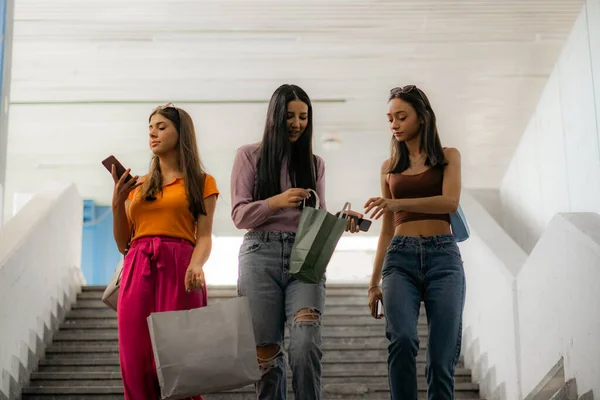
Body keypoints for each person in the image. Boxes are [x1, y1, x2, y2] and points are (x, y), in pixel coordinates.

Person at [230, 84, 360, 400]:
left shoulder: (315, 164)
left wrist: (342, 223)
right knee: (267, 358)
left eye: (303, 117)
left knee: (304, 345)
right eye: (290, 116)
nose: (297, 123)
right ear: (275, 116)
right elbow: (239, 216)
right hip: (260, 255)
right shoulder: (249, 156)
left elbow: (319, 216)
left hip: (305, 259)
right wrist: (277, 201)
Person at [111, 103, 219, 400]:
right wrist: (117, 203)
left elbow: (205, 236)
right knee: (135, 359)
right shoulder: (139, 186)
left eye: (161, 127)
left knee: (181, 362)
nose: (153, 134)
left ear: (180, 133)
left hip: (182, 269)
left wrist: (197, 265)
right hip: (138, 266)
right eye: (150, 129)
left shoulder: (201, 182)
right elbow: (124, 244)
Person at [364, 85, 465, 400]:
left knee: (441, 357)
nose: (394, 124)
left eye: (401, 116)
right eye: (390, 118)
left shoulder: (448, 157)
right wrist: (373, 283)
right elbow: (385, 231)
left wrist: (396, 205)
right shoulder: (389, 168)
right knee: (403, 339)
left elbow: (449, 203)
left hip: (443, 259)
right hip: (400, 259)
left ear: (421, 117)